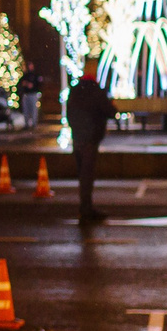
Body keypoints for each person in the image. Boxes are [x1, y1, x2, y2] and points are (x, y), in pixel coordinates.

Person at [66, 60, 114, 225]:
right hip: (90, 139)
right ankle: (86, 210)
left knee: (82, 175)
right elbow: (110, 111)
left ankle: (85, 207)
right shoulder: (95, 91)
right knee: (87, 176)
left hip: (78, 138)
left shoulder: (75, 90)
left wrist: (76, 130)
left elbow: (69, 113)